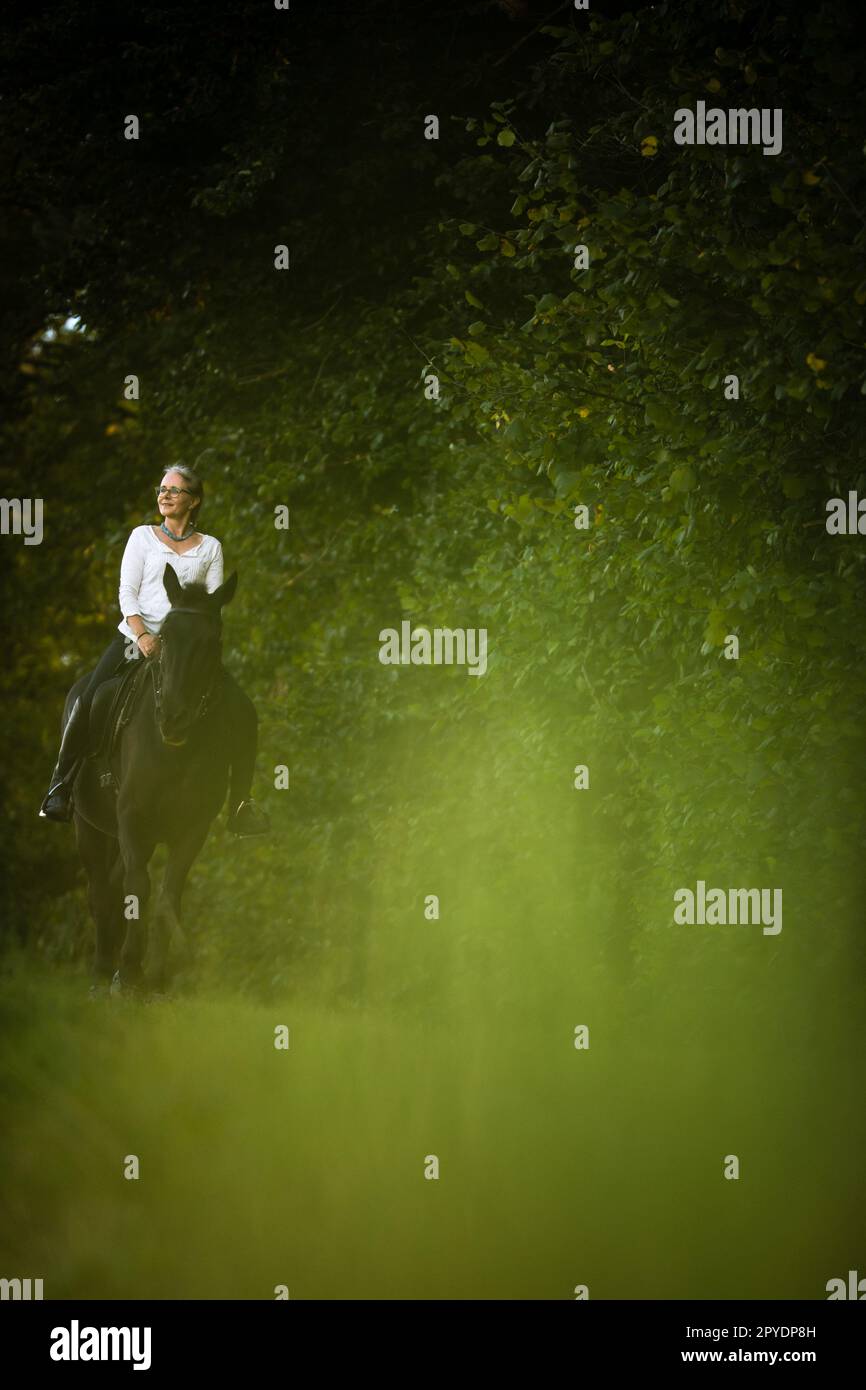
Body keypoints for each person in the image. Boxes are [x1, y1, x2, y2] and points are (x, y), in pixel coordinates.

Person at [39, 464, 269, 837]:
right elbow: (126, 592)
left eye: (175, 490)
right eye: (162, 489)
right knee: (88, 695)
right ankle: (61, 785)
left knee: (243, 710)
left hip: (188, 649)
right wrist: (144, 635)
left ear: (193, 501)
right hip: (134, 640)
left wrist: (184, 641)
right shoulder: (141, 537)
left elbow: (212, 606)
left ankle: (241, 805)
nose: (164, 495)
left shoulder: (211, 548)